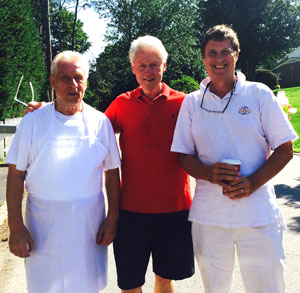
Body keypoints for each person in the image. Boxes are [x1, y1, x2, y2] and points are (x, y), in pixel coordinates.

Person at [171, 24, 298, 293]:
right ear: (204, 59)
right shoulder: (192, 103)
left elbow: (285, 148)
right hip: (210, 219)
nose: (219, 59)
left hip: (259, 216)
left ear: (236, 55)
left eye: (225, 52)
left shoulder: (258, 94)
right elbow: (183, 156)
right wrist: (209, 173)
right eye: (212, 53)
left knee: (268, 289)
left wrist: (251, 183)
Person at [6, 51, 121, 293]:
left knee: (87, 286)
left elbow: (112, 173)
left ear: (86, 82)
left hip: (88, 228)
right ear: (52, 82)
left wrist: (112, 220)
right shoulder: (33, 122)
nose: (73, 85)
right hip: (43, 227)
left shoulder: (100, 122)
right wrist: (16, 227)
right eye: (65, 78)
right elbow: (16, 174)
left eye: (79, 78)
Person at [104, 36, 194, 292]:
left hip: (174, 210)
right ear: (133, 68)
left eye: (154, 65)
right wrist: (50, 110)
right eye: (142, 65)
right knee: (130, 284)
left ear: (164, 66)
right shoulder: (122, 104)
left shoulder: (185, 102)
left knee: (165, 278)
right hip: (131, 212)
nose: (149, 71)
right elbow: (88, 129)